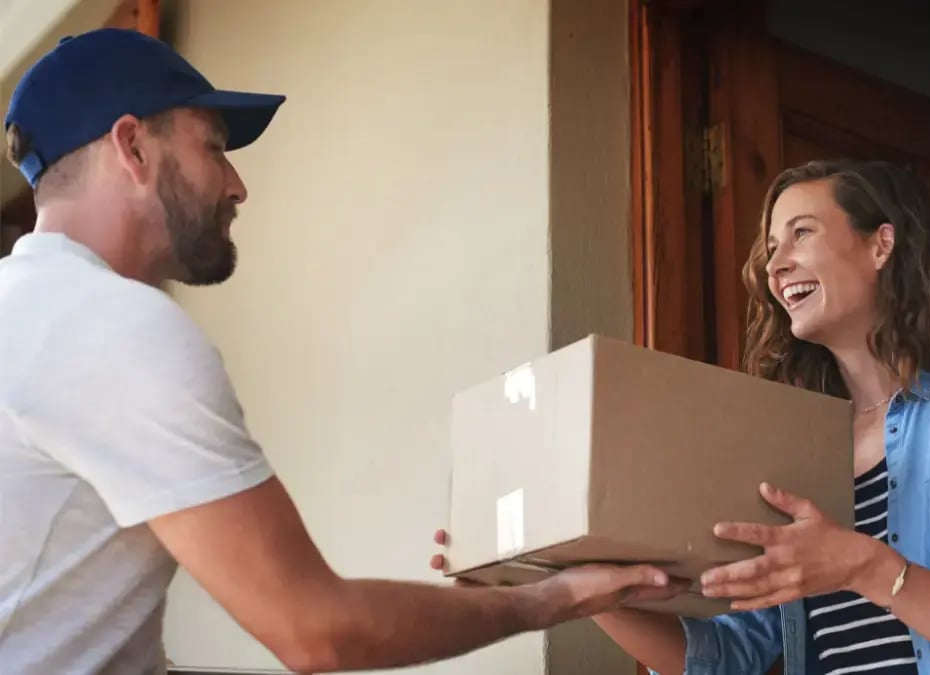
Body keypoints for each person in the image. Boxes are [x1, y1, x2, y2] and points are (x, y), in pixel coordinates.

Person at [0, 28, 682, 674]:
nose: (237, 185)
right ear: (134, 148)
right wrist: (551, 598)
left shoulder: (26, 309)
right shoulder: (112, 328)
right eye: (212, 146)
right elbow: (315, 628)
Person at [434, 159, 930, 674]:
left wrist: (862, 565)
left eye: (800, 232)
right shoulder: (785, 452)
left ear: (880, 243)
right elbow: (723, 657)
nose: (774, 264)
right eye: (770, 245)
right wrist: (574, 588)